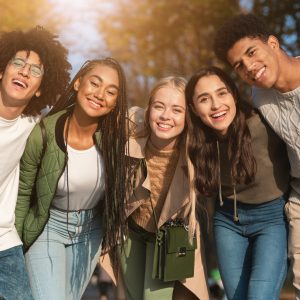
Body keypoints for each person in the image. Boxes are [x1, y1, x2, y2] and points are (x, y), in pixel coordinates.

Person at [15, 58, 129, 300]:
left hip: (90, 232)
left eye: (110, 92)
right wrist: (15, 248)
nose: (100, 94)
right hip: (48, 227)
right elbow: (24, 192)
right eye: (95, 84)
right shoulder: (43, 133)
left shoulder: (116, 139)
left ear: (115, 103)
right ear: (78, 83)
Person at [213, 13, 300, 297]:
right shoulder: (259, 96)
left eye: (252, 52)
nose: (249, 67)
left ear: (273, 43)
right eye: (239, 65)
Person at [185, 66, 290, 300]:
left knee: (260, 296)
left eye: (222, 93)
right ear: (193, 108)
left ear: (233, 94)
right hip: (228, 222)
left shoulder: (263, 123)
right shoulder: (195, 142)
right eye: (204, 99)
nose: (215, 105)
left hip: (272, 219)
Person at [118, 77, 209, 300]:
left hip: (168, 236)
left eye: (176, 110)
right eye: (159, 106)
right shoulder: (131, 132)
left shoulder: (196, 151)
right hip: (131, 231)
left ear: (187, 116)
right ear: (149, 109)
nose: (166, 116)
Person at [0, 26, 70, 300]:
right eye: (18, 63)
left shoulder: (33, 128)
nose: (24, 72)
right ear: (2, 70)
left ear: (41, 89)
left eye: (35, 70)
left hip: (4, 242)